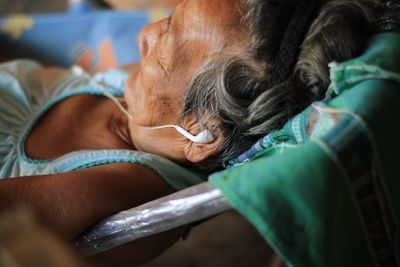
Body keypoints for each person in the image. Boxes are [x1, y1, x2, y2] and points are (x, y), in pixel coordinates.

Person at [0, 0, 380, 265]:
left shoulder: (122, 184)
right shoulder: (146, 100)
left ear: (200, 130)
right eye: (166, 21)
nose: (145, 34)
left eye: (165, 43)